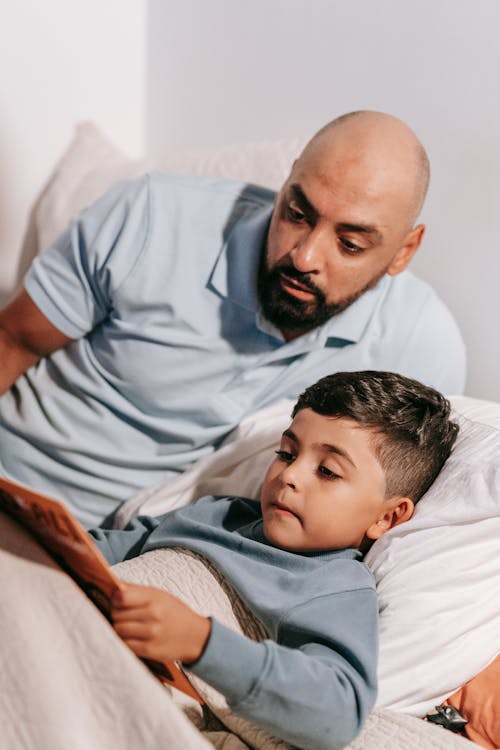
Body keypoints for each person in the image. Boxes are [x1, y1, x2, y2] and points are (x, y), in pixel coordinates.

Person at [0, 111, 466, 527]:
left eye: (349, 244)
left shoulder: (421, 348)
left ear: (403, 252)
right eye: (297, 214)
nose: (304, 256)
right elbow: (13, 339)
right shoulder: (150, 215)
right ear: (284, 185)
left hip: (132, 544)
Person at [89, 370, 460, 750]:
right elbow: (105, 550)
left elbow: (338, 710)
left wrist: (202, 642)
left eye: (328, 472)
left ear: (387, 517)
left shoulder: (332, 584)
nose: (291, 475)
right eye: (286, 453)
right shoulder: (218, 512)